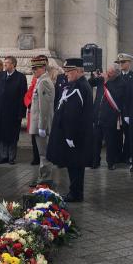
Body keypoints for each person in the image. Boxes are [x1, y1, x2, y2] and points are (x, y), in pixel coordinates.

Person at [47, 58, 93, 202]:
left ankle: (76, 193)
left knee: (75, 166)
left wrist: (70, 135)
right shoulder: (76, 84)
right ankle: (75, 192)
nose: (66, 74)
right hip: (76, 134)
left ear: (79, 71)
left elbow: (73, 113)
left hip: (75, 135)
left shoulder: (79, 87)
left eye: (69, 71)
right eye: (65, 71)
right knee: (74, 165)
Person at [91, 62, 125, 170]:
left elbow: (116, 96)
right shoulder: (102, 80)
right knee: (96, 141)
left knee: (110, 142)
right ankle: (95, 161)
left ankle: (111, 162)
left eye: (110, 73)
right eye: (108, 72)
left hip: (110, 117)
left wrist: (106, 81)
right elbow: (90, 83)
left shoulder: (121, 83)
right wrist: (94, 76)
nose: (108, 74)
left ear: (116, 73)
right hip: (98, 115)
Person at [0, 56, 27, 165]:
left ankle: (11, 157)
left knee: (12, 135)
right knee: (2, 134)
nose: (5, 65)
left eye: (7, 63)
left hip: (14, 112)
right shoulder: (0, 76)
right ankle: (3, 156)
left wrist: (21, 113)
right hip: (1, 112)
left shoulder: (20, 77)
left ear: (13, 64)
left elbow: (23, 95)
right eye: (4, 63)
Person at [28, 55, 54, 186]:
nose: (34, 71)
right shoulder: (40, 80)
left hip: (41, 124)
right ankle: (42, 177)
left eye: (36, 68)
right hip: (39, 124)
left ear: (43, 68)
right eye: (33, 69)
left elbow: (44, 107)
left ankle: (45, 178)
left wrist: (42, 126)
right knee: (42, 153)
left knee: (44, 154)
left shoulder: (44, 82)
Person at [116, 53, 133, 163]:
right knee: (118, 135)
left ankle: (127, 156)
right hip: (117, 111)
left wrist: (129, 112)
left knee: (129, 135)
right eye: (119, 62)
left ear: (129, 63)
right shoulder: (117, 76)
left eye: (123, 62)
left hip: (129, 111)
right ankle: (118, 156)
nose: (121, 64)